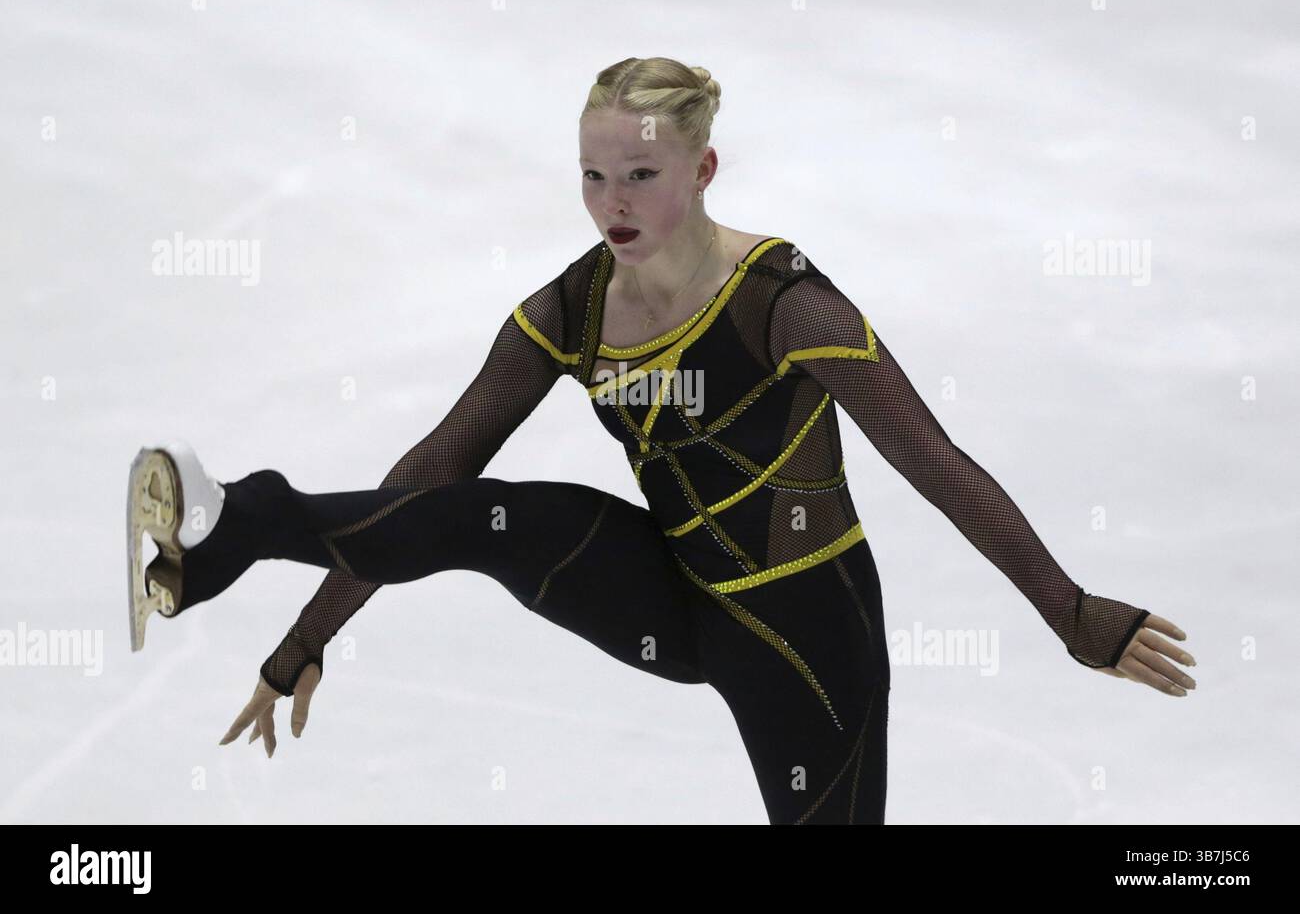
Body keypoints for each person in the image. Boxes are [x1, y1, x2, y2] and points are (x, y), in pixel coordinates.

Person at [125, 57, 1196, 824]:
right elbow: (436, 475)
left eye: (639, 175)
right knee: (496, 515)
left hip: (804, 628)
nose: (611, 204)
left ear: (703, 169)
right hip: (667, 595)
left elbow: (937, 466)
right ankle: (246, 520)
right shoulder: (568, 309)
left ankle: (256, 515)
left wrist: (1067, 611)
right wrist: (307, 636)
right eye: (593, 176)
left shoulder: (788, 305)